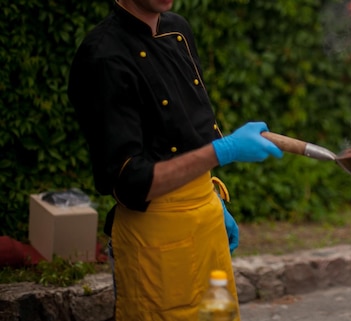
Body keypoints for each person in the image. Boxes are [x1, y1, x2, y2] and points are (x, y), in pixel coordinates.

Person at [67, 0, 283, 320]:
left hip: (205, 218)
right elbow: (130, 181)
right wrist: (225, 150)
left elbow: (186, 132)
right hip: (155, 241)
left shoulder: (177, 28)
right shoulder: (103, 55)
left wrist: (209, 195)